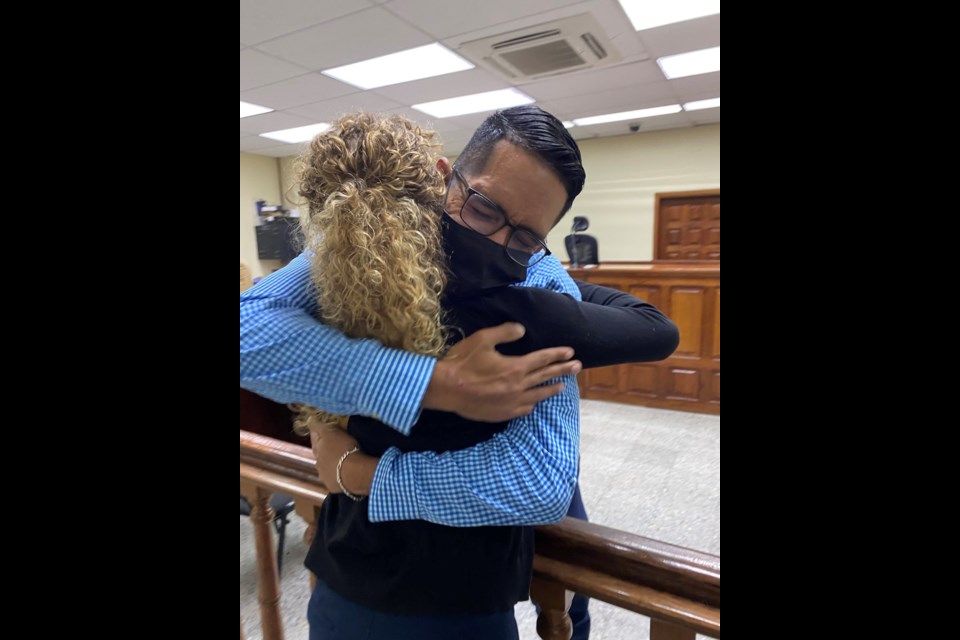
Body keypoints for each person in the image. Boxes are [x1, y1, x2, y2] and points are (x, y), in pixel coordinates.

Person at [240, 108, 679, 639]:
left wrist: (361, 474)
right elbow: (247, 332)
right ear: (444, 177)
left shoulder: (539, 291)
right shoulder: (373, 243)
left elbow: (538, 482)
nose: (494, 243)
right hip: (346, 575)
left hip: (459, 599)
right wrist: (431, 384)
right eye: (484, 208)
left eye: (523, 237)